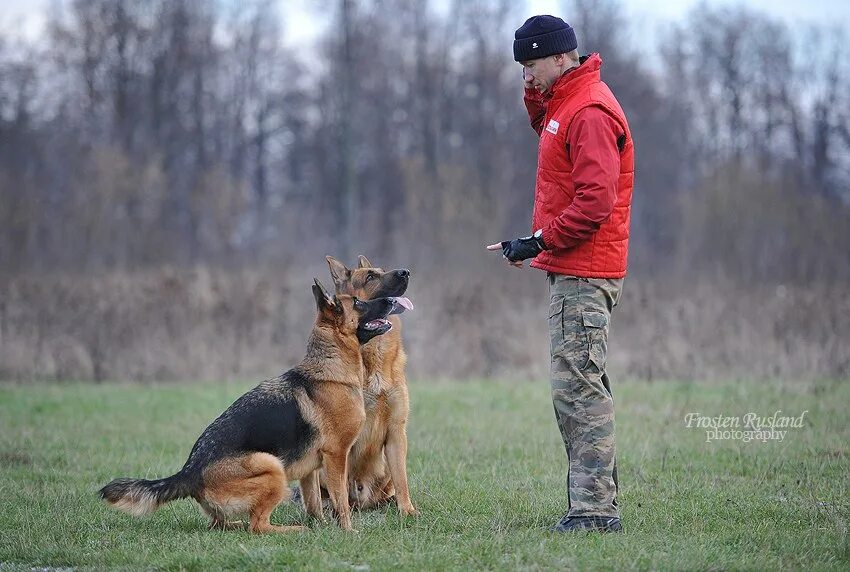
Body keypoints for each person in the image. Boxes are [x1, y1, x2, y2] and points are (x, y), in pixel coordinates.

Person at [487, 14, 634, 533]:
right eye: (521, 68)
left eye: (531, 65)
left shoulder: (589, 110)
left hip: (584, 269)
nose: (527, 76)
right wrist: (535, 91)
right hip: (576, 266)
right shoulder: (568, 103)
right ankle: (597, 501)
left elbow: (596, 200)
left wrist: (540, 241)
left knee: (577, 389)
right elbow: (545, 128)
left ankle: (594, 512)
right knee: (581, 381)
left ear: (560, 57)